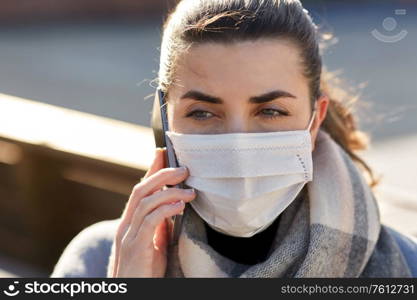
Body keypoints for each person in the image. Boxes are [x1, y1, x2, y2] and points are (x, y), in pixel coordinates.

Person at [51, 0, 417, 278]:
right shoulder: (99, 261)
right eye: (203, 113)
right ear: (165, 120)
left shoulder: (405, 264)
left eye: (270, 111)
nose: (239, 147)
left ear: (314, 119)